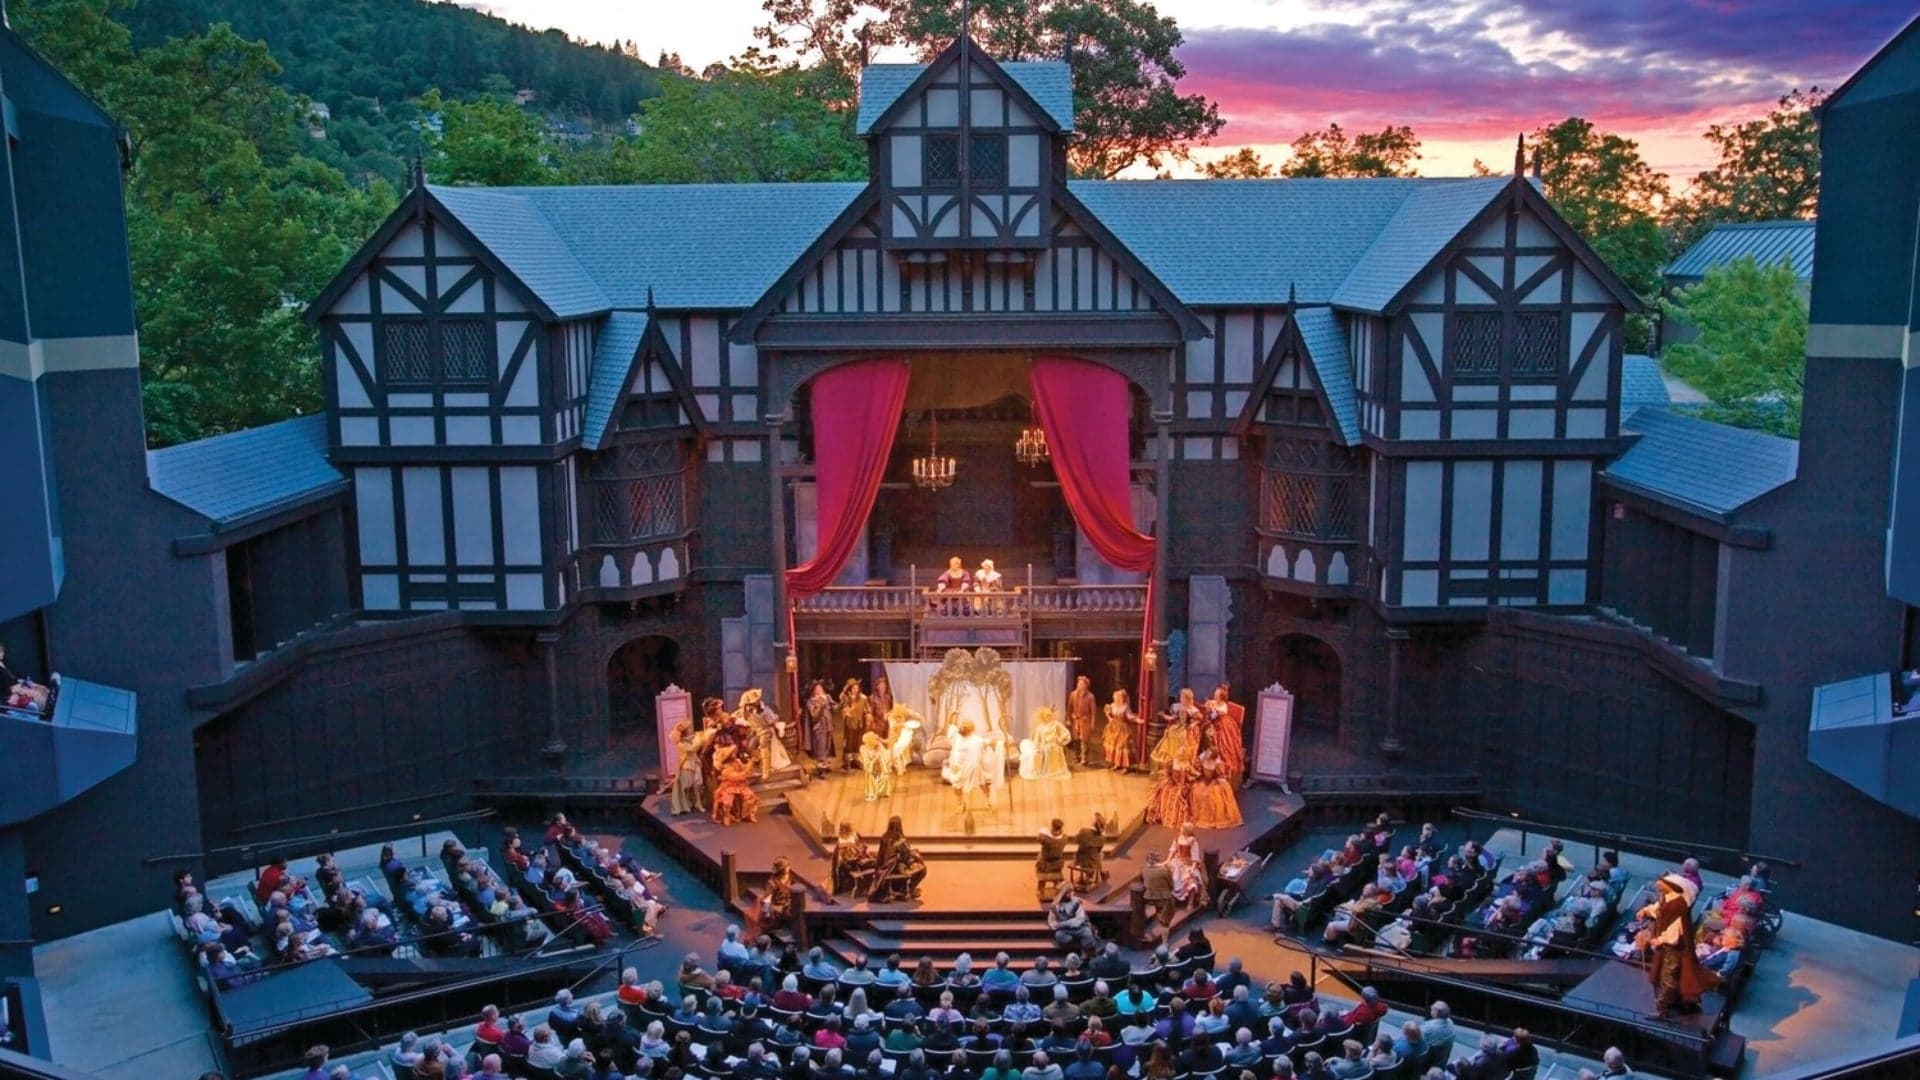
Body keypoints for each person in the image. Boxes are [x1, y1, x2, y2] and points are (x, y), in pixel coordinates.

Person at [1640, 872, 1715, 1016]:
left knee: (1669, 977)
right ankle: (1674, 1002)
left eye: (1662, 883)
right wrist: (1645, 911)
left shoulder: (1678, 905)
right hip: (1665, 946)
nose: (1658, 885)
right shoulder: (1667, 899)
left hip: (1674, 948)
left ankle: (1662, 1009)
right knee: (1662, 973)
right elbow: (1659, 911)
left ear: (1671, 886)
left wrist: (1660, 939)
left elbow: (1675, 931)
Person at [737, 688, 790, 782]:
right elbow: (737, 717)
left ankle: (766, 772)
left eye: (756, 701)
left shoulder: (764, 710)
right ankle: (755, 762)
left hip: (765, 730)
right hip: (754, 731)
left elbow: (773, 720)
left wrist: (774, 723)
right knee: (749, 746)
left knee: (764, 745)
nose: (756, 702)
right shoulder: (746, 710)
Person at [943, 718, 992, 814]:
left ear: (970, 730)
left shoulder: (977, 740)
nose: (962, 728)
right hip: (957, 768)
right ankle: (961, 804)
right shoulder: (956, 737)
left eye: (965, 727)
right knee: (957, 787)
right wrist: (952, 715)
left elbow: (990, 743)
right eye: (961, 726)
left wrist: (999, 744)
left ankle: (989, 803)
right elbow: (950, 725)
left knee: (983, 785)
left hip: (973, 768)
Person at [872, 816, 927, 902]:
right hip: (897, 868)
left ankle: (901, 889)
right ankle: (908, 889)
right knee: (923, 870)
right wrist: (915, 856)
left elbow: (881, 854)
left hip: (884, 868)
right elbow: (906, 857)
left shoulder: (884, 837)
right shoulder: (901, 839)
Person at [1189, 748, 1242, 828]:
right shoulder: (1204, 757)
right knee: (1197, 791)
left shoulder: (1218, 763)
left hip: (1215, 781)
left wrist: (1217, 778)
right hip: (1205, 781)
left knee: (1215, 796)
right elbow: (1197, 765)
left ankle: (1215, 818)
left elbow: (1221, 774)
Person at [1204, 685, 1245, 784]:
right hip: (1213, 723)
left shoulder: (1224, 706)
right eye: (1215, 695)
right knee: (1205, 731)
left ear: (1221, 697)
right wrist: (1208, 708)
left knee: (1223, 740)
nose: (1214, 697)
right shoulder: (1213, 702)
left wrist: (1213, 710)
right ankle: (1206, 759)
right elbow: (1209, 715)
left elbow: (1215, 716)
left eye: (1217, 695)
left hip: (1223, 724)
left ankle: (1221, 765)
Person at [710, 743, 760, 825]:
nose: (735, 754)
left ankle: (750, 814)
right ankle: (726, 816)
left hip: (740, 785)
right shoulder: (726, 769)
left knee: (752, 797)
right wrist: (750, 765)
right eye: (732, 753)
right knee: (727, 803)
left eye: (734, 752)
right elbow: (740, 776)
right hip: (728, 786)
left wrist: (751, 762)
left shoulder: (737, 761)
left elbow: (745, 769)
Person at [670, 718, 708, 815]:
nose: (692, 730)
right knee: (686, 787)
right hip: (687, 765)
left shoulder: (692, 738)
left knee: (697, 785)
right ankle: (685, 804)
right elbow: (691, 750)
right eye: (689, 728)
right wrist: (698, 741)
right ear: (685, 731)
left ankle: (698, 803)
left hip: (695, 763)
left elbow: (694, 751)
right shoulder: (681, 743)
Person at [1167, 824, 1209, 907]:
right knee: (1171, 875)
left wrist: (1192, 868)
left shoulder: (1193, 841)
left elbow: (1195, 857)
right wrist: (1168, 860)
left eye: (1182, 828)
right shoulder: (1178, 837)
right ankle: (1172, 898)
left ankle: (1190, 901)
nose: (1180, 829)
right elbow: (1173, 850)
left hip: (1188, 863)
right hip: (1177, 861)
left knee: (1191, 878)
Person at [1030, 706, 1072, 780]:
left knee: (1054, 753)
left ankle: (1055, 771)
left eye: (1050, 715)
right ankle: (1045, 771)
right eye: (1047, 715)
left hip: (1054, 746)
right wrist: (1037, 748)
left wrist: (1060, 740)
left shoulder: (1056, 724)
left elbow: (1065, 733)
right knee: (1043, 755)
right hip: (1044, 748)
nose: (1049, 717)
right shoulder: (1040, 727)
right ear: (1043, 716)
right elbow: (1036, 739)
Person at [1103, 690, 1141, 772]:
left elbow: (1129, 716)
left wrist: (1137, 720)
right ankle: (1117, 764)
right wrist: (1109, 718)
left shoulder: (1125, 706)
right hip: (1113, 728)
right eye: (1115, 696)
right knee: (1115, 745)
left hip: (1122, 728)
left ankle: (1125, 766)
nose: (1115, 698)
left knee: (1123, 746)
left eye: (1117, 696)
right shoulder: (1112, 705)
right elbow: (1107, 712)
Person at [838, 679, 871, 771]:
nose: (855, 690)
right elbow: (842, 702)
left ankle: (857, 761)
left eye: (856, 688)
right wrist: (847, 711)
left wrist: (868, 716)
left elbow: (867, 709)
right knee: (849, 743)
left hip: (859, 724)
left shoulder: (863, 698)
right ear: (850, 689)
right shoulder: (847, 698)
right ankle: (848, 763)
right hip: (849, 724)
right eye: (853, 688)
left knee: (858, 742)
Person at [1067, 675, 1098, 766]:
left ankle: (1084, 758)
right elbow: (1069, 708)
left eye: (1082, 684)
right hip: (1076, 720)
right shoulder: (1073, 694)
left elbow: (1093, 712)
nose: (1080, 685)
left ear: (1086, 685)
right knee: (1076, 740)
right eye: (1079, 683)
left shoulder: (1090, 696)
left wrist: (1092, 723)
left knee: (1084, 740)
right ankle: (1076, 757)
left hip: (1085, 720)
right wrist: (1068, 718)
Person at [806, 680, 836, 768]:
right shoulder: (811, 701)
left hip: (828, 725)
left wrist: (843, 703)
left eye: (820, 688)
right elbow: (814, 716)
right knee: (820, 747)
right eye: (817, 689)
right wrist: (821, 706)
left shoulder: (827, 697)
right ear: (814, 691)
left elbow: (835, 707)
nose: (819, 690)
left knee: (828, 746)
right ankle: (820, 768)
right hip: (819, 727)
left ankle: (825, 765)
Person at [859, 732, 893, 802]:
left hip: (879, 768)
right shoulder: (864, 749)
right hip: (871, 769)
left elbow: (884, 756)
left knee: (885, 777)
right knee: (871, 777)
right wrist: (874, 760)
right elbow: (867, 764)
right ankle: (872, 793)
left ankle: (883, 792)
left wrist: (880, 758)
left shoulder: (878, 745)